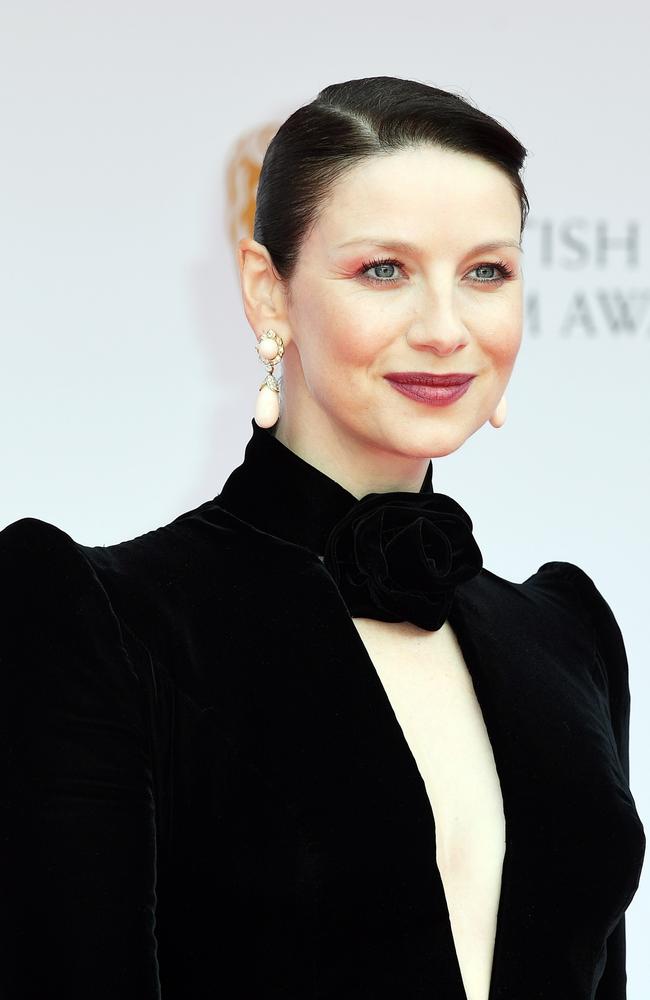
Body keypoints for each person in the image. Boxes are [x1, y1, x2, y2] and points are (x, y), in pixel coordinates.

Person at [0, 76, 645, 1000]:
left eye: (486, 272)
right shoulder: (102, 619)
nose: (444, 328)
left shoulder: (567, 634)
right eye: (384, 270)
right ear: (269, 294)